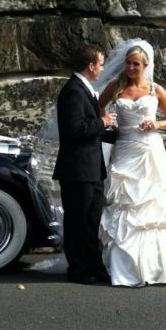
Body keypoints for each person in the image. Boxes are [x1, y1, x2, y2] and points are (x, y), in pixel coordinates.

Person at [96, 40, 166, 287]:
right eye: (128, 63)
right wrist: (105, 120)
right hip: (125, 149)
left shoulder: (155, 89)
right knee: (127, 203)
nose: (131, 68)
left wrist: (156, 124)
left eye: (136, 64)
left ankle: (164, 268)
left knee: (157, 205)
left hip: (150, 149)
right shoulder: (115, 87)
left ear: (145, 66)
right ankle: (125, 269)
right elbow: (96, 107)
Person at [52, 43, 116, 285]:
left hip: (91, 168)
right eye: (100, 64)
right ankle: (77, 270)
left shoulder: (84, 89)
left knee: (92, 221)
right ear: (91, 66)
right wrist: (103, 121)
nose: (102, 69)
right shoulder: (73, 91)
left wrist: (119, 133)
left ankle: (94, 266)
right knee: (78, 222)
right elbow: (75, 129)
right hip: (77, 170)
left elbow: (93, 130)